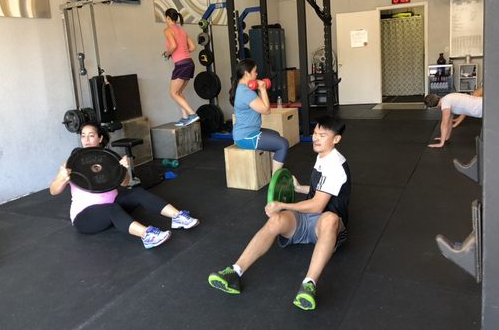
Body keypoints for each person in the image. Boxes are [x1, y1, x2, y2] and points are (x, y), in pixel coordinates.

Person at [208, 116, 351, 311]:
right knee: (276, 220)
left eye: (322, 135)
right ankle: (235, 272)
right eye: (315, 133)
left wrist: (283, 204)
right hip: (309, 219)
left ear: (336, 139)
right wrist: (299, 189)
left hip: (327, 226)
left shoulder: (336, 165)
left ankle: (308, 285)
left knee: (329, 219)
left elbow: (318, 206)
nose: (316, 138)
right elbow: (321, 190)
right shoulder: (323, 156)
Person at [49, 122, 199, 249]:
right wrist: (61, 178)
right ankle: (147, 235)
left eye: (91, 135)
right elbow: (53, 190)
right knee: (111, 208)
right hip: (85, 217)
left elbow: (125, 183)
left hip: (114, 204)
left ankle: (177, 217)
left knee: (137, 192)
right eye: (83, 136)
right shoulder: (73, 162)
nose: (86, 140)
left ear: (100, 138)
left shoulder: (109, 159)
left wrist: (123, 169)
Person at [229, 58, 289, 174]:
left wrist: (260, 90)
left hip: (250, 131)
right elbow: (266, 110)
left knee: (275, 134)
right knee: (283, 144)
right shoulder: (245, 92)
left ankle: (272, 169)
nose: (257, 74)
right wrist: (262, 89)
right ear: (247, 73)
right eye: (255, 71)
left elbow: (261, 104)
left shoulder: (244, 88)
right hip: (245, 136)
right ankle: (275, 180)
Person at [163, 8, 199, 126]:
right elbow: (192, 47)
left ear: (168, 18)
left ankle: (192, 114)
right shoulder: (182, 30)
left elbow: (173, 46)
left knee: (173, 93)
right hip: (189, 63)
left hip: (181, 65)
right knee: (178, 92)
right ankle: (185, 117)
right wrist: (182, 52)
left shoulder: (168, 30)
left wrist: (167, 54)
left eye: (165, 18)